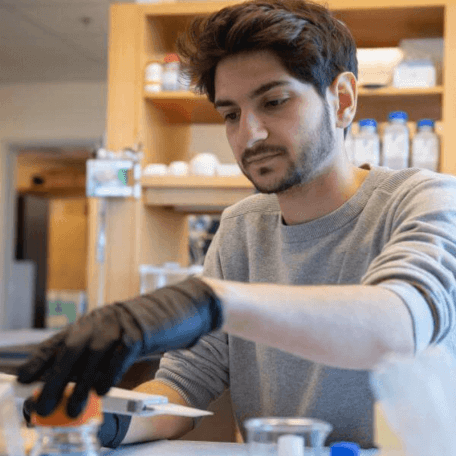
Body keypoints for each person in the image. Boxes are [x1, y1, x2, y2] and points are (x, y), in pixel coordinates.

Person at [18, 0, 456, 450]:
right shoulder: (241, 229)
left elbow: (400, 325)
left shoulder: (427, 200)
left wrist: (210, 301)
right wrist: (96, 420)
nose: (250, 133)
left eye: (274, 101)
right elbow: (184, 384)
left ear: (342, 101)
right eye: (230, 114)